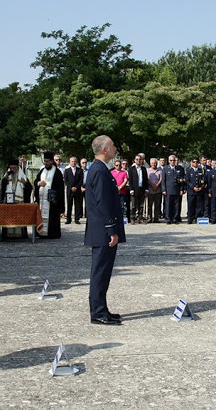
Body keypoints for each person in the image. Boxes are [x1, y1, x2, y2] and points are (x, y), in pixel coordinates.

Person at [85, 135, 126, 325]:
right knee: (100, 272)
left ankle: (102, 308)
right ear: (104, 149)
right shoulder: (100, 171)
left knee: (103, 271)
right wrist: (111, 229)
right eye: (112, 145)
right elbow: (103, 203)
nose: (115, 148)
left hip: (102, 230)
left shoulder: (100, 169)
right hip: (103, 231)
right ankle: (98, 312)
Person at [34, 152, 65, 238]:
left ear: (52, 161)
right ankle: (40, 232)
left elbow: (60, 188)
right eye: (45, 161)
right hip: (41, 201)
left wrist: (56, 198)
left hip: (52, 201)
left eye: (47, 161)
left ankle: (52, 234)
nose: (46, 163)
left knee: (52, 218)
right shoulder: (42, 171)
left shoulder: (57, 172)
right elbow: (35, 182)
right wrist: (39, 183)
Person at [162, 155, 184, 224]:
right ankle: (168, 218)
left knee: (176, 205)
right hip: (168, 190)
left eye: (174, 160)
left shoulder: (179, 169)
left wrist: (181, 189)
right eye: (171, 160)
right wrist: (163, 189)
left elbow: (181, 180)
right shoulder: (165, 169)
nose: (172, 162)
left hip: (177, 189)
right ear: (168, 161)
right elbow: (163, 180)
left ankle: (175, 218)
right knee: (168, 205)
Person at [128, 154, 149, 225]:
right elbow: (130, 180)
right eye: (137, 159)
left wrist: (146, 189)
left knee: (141, 205)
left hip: (142, 189)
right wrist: (131, 189)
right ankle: (132, 218)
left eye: (140, 159)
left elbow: (146, 180)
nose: (138, 161)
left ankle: (140, 218)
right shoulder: (131, 169)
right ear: (134, 160)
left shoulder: (143, 169)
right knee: (133, 205)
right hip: (134, 189)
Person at [63, 156, 84, 225]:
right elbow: (66, 181)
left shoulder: (80, 170)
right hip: (70, 190)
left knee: (77, 205)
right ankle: (68, 219)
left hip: (77, 190)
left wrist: (76, 187)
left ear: (76, 162)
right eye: (72, 161)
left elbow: (81, 180)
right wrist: (71, 187)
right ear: (70, 162)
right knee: (69, 205)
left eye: (74, 161)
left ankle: (77, 219)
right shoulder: (67, 170)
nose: (73, 162)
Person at [185, 157, 206, 224]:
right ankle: (190, 218)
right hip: (191, 191)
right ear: (191, 162)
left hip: (199, 191)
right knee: (191, 205)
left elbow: (203, 180)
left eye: (197, 162)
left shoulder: (201, 170)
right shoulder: (188, 170)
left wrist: (201, 187)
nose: (195, 163)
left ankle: (197, 218)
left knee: (198, 206)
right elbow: (187, 181)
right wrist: (193, 187)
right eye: (194, 162)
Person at [146, 158, 162, 223]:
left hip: (158, 190)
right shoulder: (147, 171)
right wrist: (152, 185)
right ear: (150, 164)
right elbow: (147, 179)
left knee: (157, 205)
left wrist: (156, 185)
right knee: (149, 205)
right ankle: (149, 218)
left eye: (155, 163)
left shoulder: (160, 171)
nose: (154, 164)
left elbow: (161, 179)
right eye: (152, 163)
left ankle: (156, 218)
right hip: (150, 190)